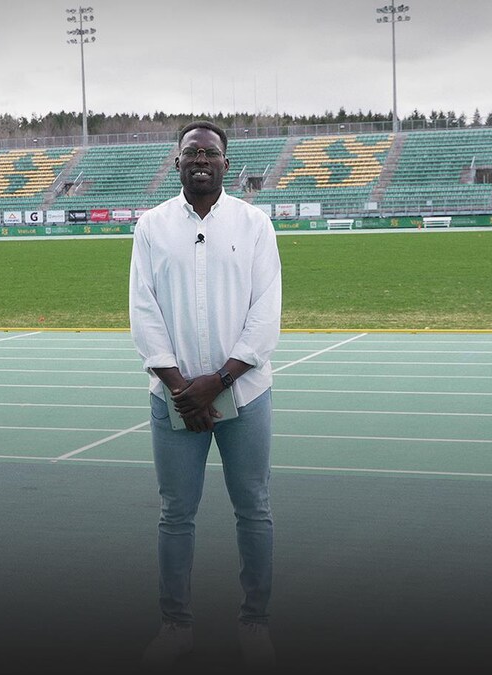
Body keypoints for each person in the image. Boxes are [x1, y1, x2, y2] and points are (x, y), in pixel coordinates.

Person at [129, 121, 282, 670]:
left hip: (244, 393)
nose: (200, 159)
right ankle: (176, 626)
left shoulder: (254, 223)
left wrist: (215, 383)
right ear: (176, 162)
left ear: (225, 163)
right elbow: (143, 312)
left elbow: (266, 316)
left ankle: (255, 624)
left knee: (254, 509)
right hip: (173, 396)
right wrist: (180, 389)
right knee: (176, 514)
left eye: (210, 152)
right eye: (191, 151)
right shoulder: (151, 227)